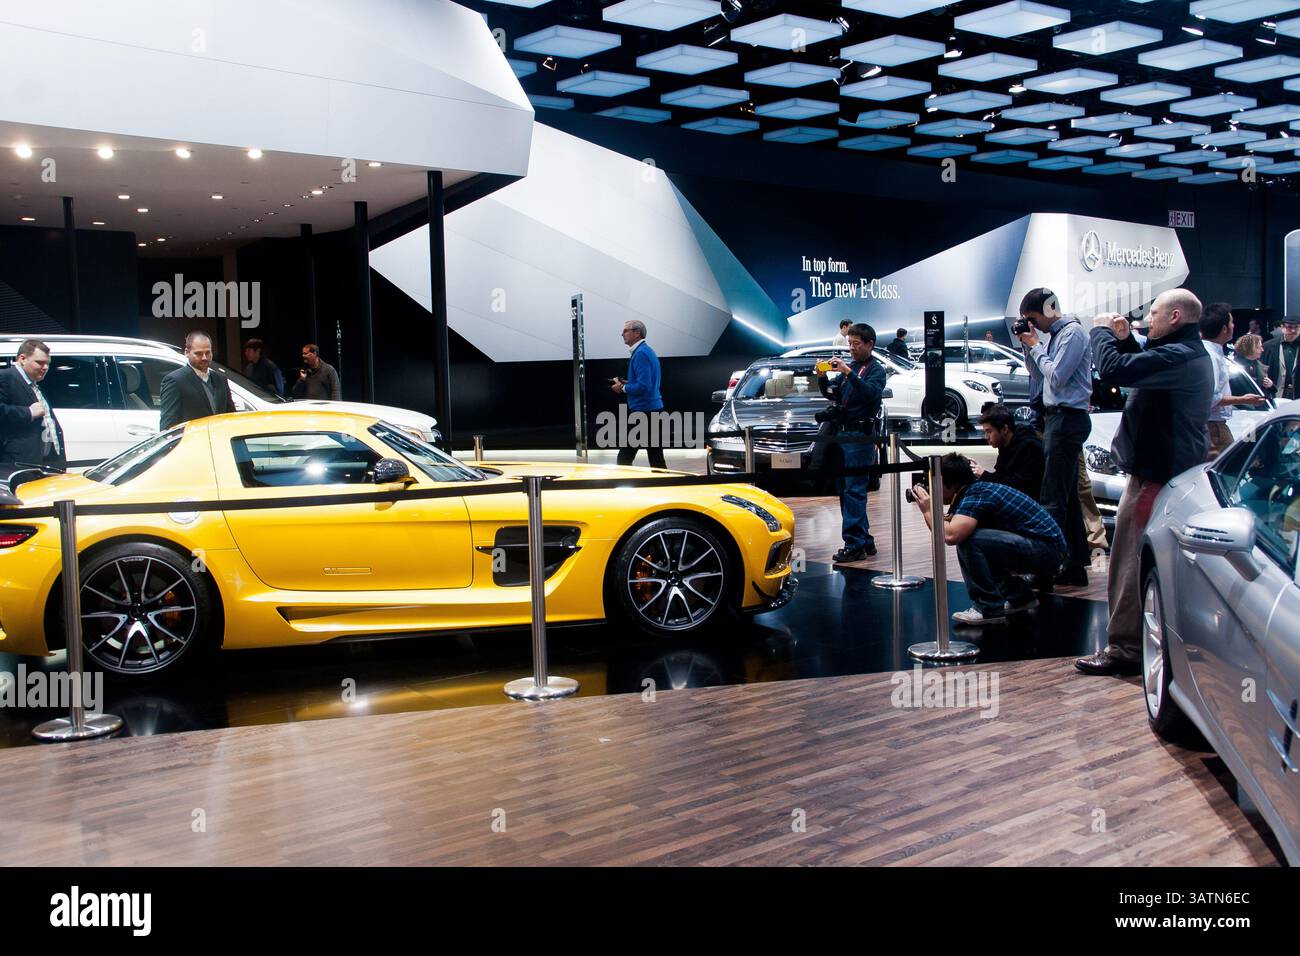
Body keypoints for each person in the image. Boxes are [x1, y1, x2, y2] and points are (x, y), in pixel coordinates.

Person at [1076, 288, 1214, 676]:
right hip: (1160, 472)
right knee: (1137, 559)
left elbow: (1116, 370)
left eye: (1153, 313)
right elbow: (1142, 365)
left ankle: (1125, 648)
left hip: (1155, 476)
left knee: (1128, 560)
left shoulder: (1181, 356)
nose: (1146, 320)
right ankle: (1137, 643)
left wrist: (1101, 332)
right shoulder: (1183, 354)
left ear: (1174, 318)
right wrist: (1126, 340)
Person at [910, 453, 1066, 627]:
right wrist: (931, 510)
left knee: (970, 541)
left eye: (936, 484)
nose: (933, 489)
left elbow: (950, 535)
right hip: (1047, 549)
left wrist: (927, 510)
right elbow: (949, 525)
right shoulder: (975, 490)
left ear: (952, 483)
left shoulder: (976, 495)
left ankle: (987, 608)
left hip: (1047, 552)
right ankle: (1020, 598)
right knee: (981, 543)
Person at [1016, 288, 1093, 587]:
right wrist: (1028, 346)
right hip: (1058, 420)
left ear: (1048, 310)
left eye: (1032, 319)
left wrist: (1036, 345)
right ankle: (1075, 567)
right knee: (1068, 498)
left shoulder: (1072, 333)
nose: (1033, 325)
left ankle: (1043, 567)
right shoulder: (1055, 337)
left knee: (1052, 499)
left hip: (1066, 420)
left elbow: (1058, 376)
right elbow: (1039, 375)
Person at [817, 322, 886, 563]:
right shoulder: (854, 367)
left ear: (870, 344)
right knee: (845, 490)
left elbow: (870, 393)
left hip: (860, 436)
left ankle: (854, 544)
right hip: (842, 435)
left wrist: (847, 372)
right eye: (850, 344)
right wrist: (823, 378)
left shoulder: (876, 370)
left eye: (856, 344)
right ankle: (864, 541)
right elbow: (833, 394)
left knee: (855, 490)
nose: (852, 348)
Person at [1201, 303, 1265, 461]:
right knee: (1221, 476)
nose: (1233, 325)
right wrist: (1244, 399)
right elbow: (1212, 398)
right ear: (1224, 329)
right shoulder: (1212, 356)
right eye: (1231, 322)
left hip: (1212, 426)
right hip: (1214, 428)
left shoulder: (1210, 352)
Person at [0, 339, 66, 470]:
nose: (45, 367)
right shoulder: (5, 377)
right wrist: (28, 413)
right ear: (22, 359)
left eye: (47, 363)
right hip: (17, 463)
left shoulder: (34, 384)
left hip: (42, 461)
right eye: (40, 362)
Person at [611, 319, 666, 469]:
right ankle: (665, 487)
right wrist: (627, 383)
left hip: (644, 412)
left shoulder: (641, 353)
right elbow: (646, 383)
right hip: (652, 410)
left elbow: (644, 386)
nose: (622, 334)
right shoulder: (645, 351)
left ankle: (624, 487)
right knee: (656, 458)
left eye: (626, 330)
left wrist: (622, 388)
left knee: (624, 458)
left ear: (637, 333)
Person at [160, 331, 235, 431]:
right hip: (192, 443)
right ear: (187, 352)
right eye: (198, 354)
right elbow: (168, 426)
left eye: (208, 353)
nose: (204, 358)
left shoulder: (221, 379)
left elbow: (230, 416)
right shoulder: (175, 381)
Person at [971, 404, 1044, 500]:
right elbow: (1001, 477)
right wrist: (980, 474)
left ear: (1004, 429)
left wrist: (984, 475)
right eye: (985, 432)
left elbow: (1018, 487)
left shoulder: (1029, 447)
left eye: (989, 432)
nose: (986, 437)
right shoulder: (1005, 445)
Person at [1262, 318, 1300, 402]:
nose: (1293, 330)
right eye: (1289, 327)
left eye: (1296, 327)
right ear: (1282, 327)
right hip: (1275, 394)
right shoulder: (1268, 346)